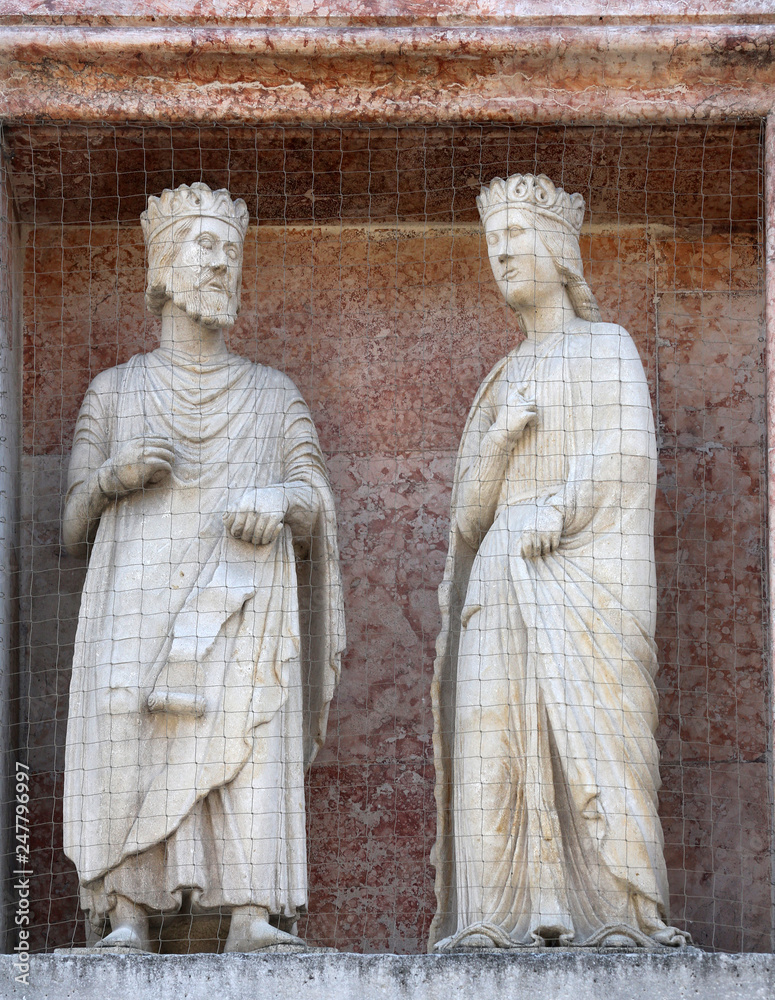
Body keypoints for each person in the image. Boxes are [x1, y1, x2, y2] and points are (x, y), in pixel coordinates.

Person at [62, 182, 344, 953]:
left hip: (241, 599)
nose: (220, 263)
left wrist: (281, 498)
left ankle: (250, 910)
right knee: (127, 723)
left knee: (245, 732)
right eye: (204, 247)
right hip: (135, 597)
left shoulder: (272, 394)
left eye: (230, 250)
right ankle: (127, 909)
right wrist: (113, 477)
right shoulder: (113, 392)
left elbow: (315, 499)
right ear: (163, 265)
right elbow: (68, 522)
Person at [430, 173, 688, 951]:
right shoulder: (501, 379)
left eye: (516, 237)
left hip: (583, 571)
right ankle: (493, 914)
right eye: (492, 241)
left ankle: (614, 912)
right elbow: (467, 516)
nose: (501, 252)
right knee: (490, 735)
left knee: (599, 732)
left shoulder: (607, 347)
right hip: (501, 576)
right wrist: (504, 440)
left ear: (559, 250)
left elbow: (630, 454)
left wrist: (561, 507)